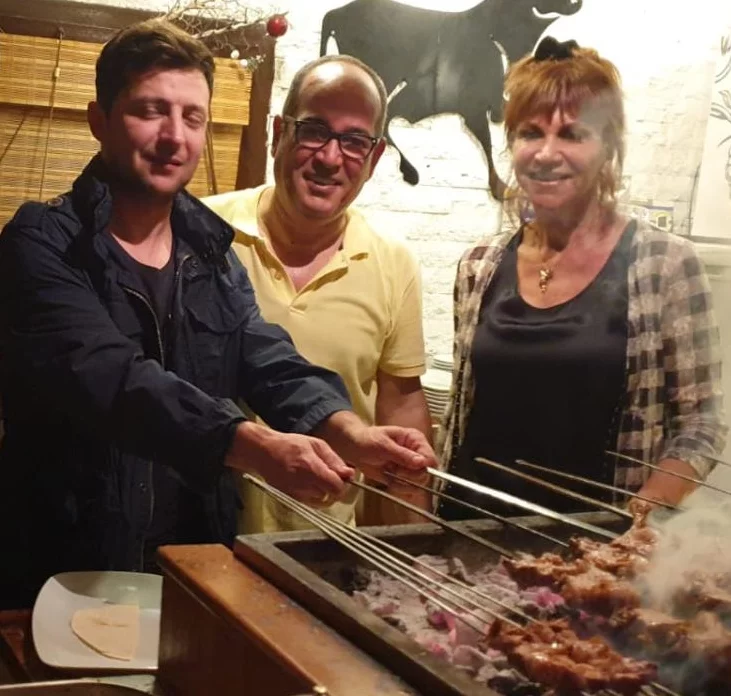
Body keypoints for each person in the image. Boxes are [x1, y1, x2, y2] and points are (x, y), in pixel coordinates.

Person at [0, 20, 436, 610]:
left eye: (193, 117)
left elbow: (264, 355)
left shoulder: (208, 252)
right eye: (150, 111)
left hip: (189, 576)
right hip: (60, 578)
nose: (173, 137)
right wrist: (249, 443)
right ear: (99, 120)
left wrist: (347, 430)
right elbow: (111, 378)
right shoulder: (42, 242)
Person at [437, 37, 726, 519]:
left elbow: (701, 423)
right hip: (466, 534)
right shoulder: (479, 264)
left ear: (608, 145)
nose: (547, 153)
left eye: (572, 134)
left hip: (591, 542)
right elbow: (461, 413)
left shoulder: (665, 264)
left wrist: (641, 514)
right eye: (530, 133)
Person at [204, 55, 432, 532]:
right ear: (277, 134)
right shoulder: (202, 231)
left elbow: (401, 410)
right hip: (196, 542)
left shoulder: (393, 262)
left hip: (324, 550)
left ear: (374, 159)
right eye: (313, 130)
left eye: (354, 141)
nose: (330, 158)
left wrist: (414, 546)